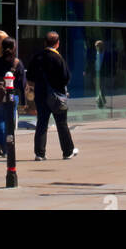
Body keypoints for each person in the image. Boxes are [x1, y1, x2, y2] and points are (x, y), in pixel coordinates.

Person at [28, 31, 78, 161]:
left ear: (45, 43)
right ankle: (67, 151)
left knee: (42, 124)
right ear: (57, 43)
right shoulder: (58, 58)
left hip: (40, 95)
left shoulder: (37, 57)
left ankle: (40, 153)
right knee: (62, 124)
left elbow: (30, 76)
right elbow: (66, 77)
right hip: (57, 96)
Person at [0, 35, 26, 156]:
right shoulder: (17, 63)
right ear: (14, 48)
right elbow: (22, 84)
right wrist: (23, 101)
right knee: (8, 122)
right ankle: (5, 147)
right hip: (11, 96)